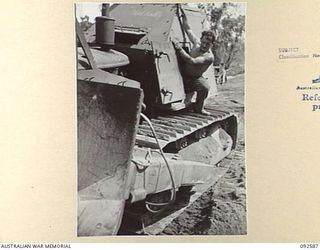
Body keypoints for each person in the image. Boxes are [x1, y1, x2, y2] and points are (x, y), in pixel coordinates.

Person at [172, 7, 215, 115]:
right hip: (183, 74)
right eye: (204, 42)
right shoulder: (196, 43)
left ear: (212, 44)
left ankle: (199, 108)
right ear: (201, 39)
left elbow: (192, 61)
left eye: (208, 44)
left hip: (194, 79)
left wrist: (179, 48)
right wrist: (183, 13)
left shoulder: (209, 57)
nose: (204, 46)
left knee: (205, 87)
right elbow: (187, 28)